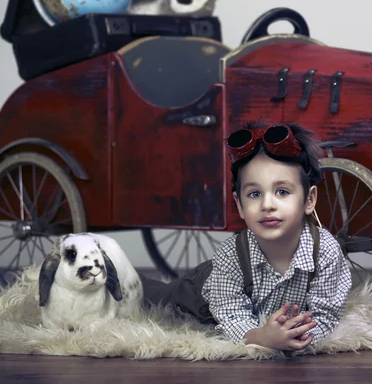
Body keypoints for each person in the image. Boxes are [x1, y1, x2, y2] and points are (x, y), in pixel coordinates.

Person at [142, 122, 352, 352]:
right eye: (254, 194)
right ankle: (133, 280)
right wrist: (261, 337)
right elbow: (230, 316)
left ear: (309, 199)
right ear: (240, 205)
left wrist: (295, 336)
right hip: (199, 296)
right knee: (152, 298)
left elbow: (327, 315)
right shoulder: (231, 255)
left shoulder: (325, 251)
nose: (267, 205)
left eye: (282, 192)